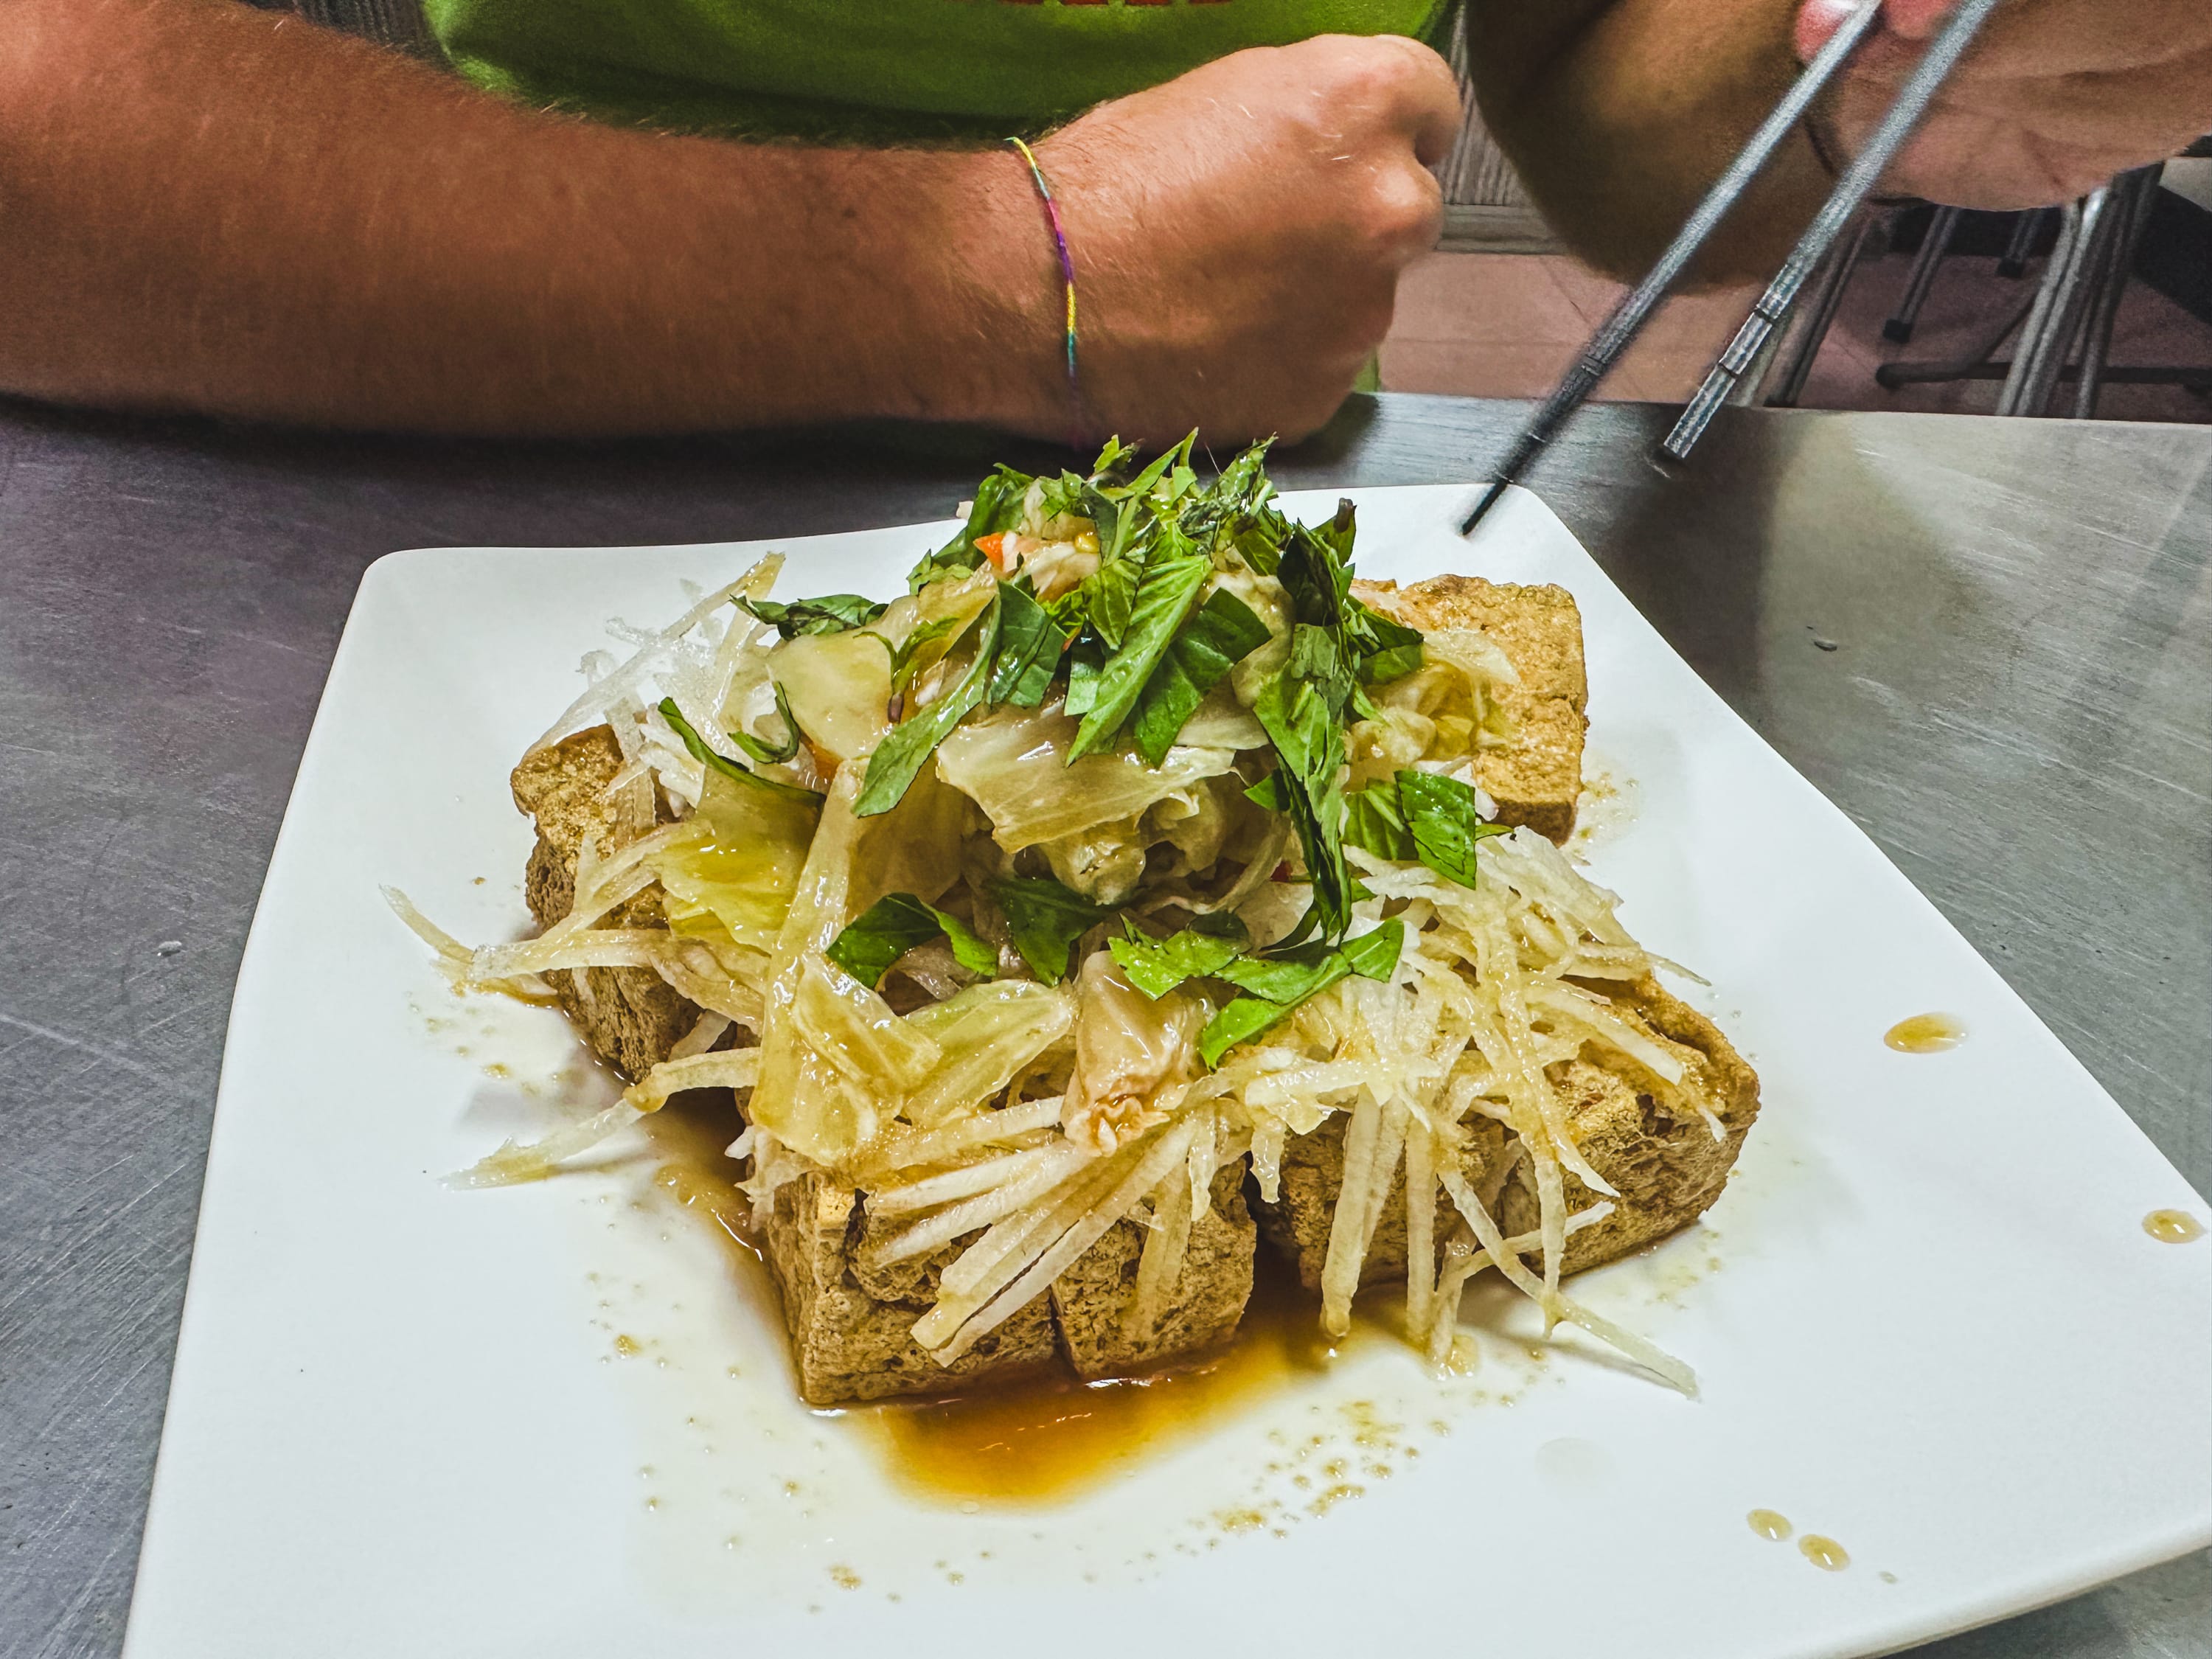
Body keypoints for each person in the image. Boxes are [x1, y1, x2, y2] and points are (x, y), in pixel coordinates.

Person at [2, 0, 2204, 445]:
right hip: (382, 431)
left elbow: (1596, 80)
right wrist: (990, 273)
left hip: (1253, 488)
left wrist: (1867, 89)